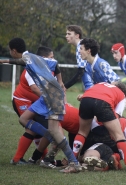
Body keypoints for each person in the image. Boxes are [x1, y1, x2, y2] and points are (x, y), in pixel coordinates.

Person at [0, 38, 82, 173]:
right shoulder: (30, 57)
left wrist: (60, 83)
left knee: (55, 130)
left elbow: (54, 64)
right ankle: (51, 137)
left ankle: (74, 163)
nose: (10, 53)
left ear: (14, 51)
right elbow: (51, 64)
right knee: (24, 119)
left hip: (53, 95)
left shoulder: (30, 58)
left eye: (10, 51)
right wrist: (4, 61)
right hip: (46, 96)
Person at [72, 82, 126, 173]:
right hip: (103, 106)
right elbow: (116, 118)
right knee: (119, 136)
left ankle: (72, 160)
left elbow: (90, 95)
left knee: (82, 132)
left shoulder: (102, 84)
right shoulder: (121, 96)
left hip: (86, 98)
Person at [10, 46, 55, 165]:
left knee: (38, 129)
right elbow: (34, 89)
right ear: (43, 58)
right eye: (51, 57)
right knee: (32, 128)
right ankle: (17, 159)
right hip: (22, 101)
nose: (53, 60)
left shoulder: (45, 68)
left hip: (32, 102)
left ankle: (40, 157)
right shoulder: (32, 68)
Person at [64, 25, 91, 89]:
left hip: (92, 85)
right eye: (66, 34)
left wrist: (66, 86)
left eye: (69, 34)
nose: (66, 36)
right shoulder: (82, 45)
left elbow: (81, 72)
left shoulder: (81, 47)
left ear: (77, 36)